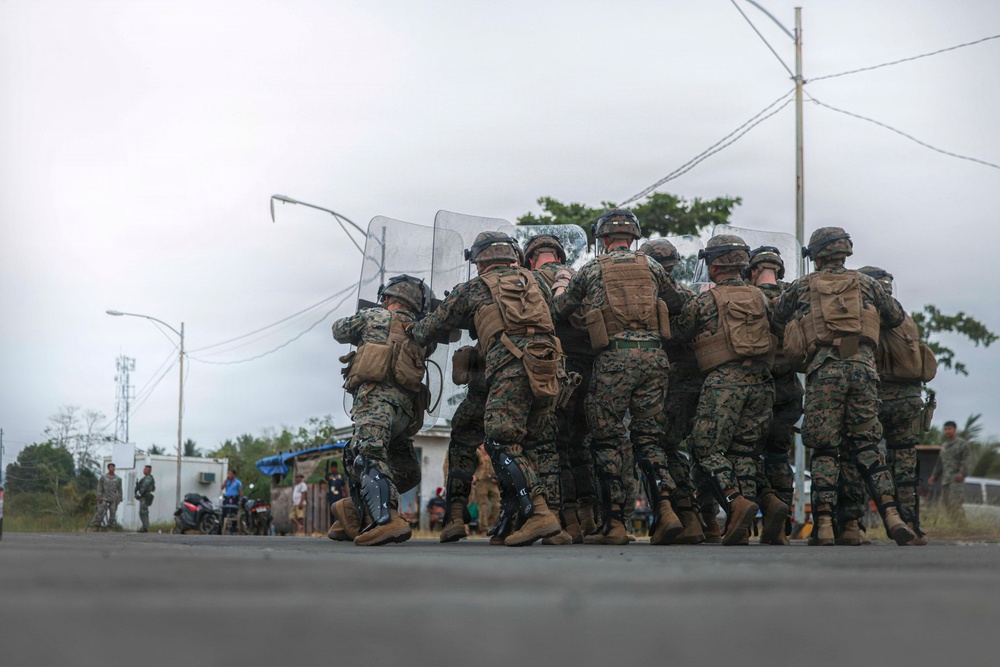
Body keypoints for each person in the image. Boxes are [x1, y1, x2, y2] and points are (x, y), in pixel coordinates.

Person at [411, 231, 562, 546]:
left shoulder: (474, 288)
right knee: (538, 444)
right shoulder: (538, 283)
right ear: (513, 257)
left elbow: (430, 327)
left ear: (479, 263)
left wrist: (405, 325)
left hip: (510, 370)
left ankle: (537, 513)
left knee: (500, 440)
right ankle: (544, 522)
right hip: (548, 367)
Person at [771, 227, 915, 546]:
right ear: (844, 251)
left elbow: (777, 314)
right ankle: (893, 517)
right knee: (866, 444)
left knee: (824, 447)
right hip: (863, 368)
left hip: (825, 369)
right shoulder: (867, 284)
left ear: (817, 255)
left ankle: (823, 524)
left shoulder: (803, 286)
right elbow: (894, 316)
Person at [551, 209, 688, 546]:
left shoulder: (592, 268)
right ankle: (667, 510)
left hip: (614, 360)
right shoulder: (652, 266)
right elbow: (677, 301)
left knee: (608, 440)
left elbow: (560, 310)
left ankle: (614, 524)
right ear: (634, 237)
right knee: (649, 438)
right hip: (655, 359)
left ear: (603, 239)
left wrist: (561, 286)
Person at [672, 235, 777, 546]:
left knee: (705, 448)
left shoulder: (705, 301)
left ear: (713, 265)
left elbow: (680, 335)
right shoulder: (762, 298)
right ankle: (739, 525)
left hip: (725, 381)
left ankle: (735, 501)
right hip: (762, 381)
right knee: (744, 452)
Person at [330, 274, 432, 546]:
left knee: (366, 455)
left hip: (375, 402)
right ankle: (356, 513)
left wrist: (366, 313)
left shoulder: (374, 316)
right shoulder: (422, 330)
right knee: (408, 470)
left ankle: (385, 520)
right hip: (405, 414)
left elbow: (338, 330)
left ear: (387, 299)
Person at [524, 233, 599, 543]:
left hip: (556, 369)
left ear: (530, 258)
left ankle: (565, 518)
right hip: (591, 368)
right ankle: (590, 515)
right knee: (582, 444)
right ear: (558, 254)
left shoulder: (528, 280)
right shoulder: (580, 277)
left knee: (554, 445)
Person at [640, 237, 708, 545]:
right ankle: (694, 518)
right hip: (696, 384)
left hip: (668, 385)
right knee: (677, 449)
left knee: (654, 446)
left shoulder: (649, 298)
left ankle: (675, 511)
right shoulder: (689, 295)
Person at [744, 245, 803, 545]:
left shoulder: (747, 296)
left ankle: (766, 501)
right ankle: (781, 527)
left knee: (746, 455)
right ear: (779, 270)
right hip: (789, 390)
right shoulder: (792, 296)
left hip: (755, 388)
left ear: (752, 270)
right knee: (779, 456)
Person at [929, 421, 970, 522]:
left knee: (955, 503)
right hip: (945, 479)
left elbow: (965, 460)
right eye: (945, 429)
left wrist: (961, 473)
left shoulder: (961, 444)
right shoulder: (944, 446)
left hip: (956, 479)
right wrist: (934, 475)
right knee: (946, 504)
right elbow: (939, 463)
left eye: (949, 429)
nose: (947, 431)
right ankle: (953, 524)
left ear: (954, 430)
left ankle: (962, 525)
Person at [472, 444, 501, 535]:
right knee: (483, 506)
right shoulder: (477, 455)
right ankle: (483, 528)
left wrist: (497, 477)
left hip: (492, 482)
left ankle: (489, 524)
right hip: (481, 481)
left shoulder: (493, 455)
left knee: (497, 505)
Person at [92, 463, 123, 530]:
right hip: (104, 497)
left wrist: (119, 499)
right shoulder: (103, 477)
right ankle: (96, 525)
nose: (112, 469)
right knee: (100, 510)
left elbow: (120, 489)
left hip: (113, 498)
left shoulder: (118, 479)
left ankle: (109, 526)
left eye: (113, 467)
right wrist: (99, 497)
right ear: (108, 468)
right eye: (111, 467)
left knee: (113, 512)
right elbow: (99, 487)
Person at [134, 464, 155, 533]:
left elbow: (144, 487)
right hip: (144, 497)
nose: (144, 470)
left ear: (148, 470)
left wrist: (139, 494)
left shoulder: (148, 478)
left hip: (145, 497)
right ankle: (145, 526)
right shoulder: (145, 478)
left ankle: (145, 527)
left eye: (145, 469)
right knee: (143, 512)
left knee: (143, 512)